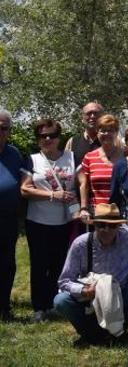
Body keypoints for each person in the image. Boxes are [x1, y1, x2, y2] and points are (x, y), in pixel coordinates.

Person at [54, 203, 128, 344]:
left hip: (121, 294)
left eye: (112, 226)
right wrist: (84, 290)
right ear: (94, 225)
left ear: (119, 226)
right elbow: (64, 281)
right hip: (89, 298)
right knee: (60, 301)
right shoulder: (81, 244)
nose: (106, 229)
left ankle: (112, 333)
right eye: (101, 225)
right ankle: (90, 333)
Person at [21, 119, 76, 322]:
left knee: (59, 264)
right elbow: (25, 189)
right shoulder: (33, 160)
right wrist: (53, 196)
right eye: (43, 136)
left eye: (51, 135)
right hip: (38, 221)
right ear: (38, 139)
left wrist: (79, 209)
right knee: (39, 264)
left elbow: (79, 186)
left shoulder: (71, 157)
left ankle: (54, 303)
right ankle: (39, 307)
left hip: (64, 221)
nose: (47, 139)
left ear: (58, 137)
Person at [0, 111, 31, 321]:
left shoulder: (14, 154)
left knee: (6, 263)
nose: (0, 132)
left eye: (4, 128)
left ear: (9, 131)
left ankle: (4, 307)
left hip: (8, 219)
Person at [78, 114, 124, 216]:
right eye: (103, 130)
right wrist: (83, 208)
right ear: (97, 133)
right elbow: (84, 185)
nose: (106, 133)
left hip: (123, 212)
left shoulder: (126, 155)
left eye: (111, 130)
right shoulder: (89, 157)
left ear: (116, 133)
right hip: (98, 214)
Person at [65, 102, 103, 167]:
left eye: (96, 113)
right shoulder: (73, 142)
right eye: (88, 113)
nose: (92, 116)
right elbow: (67, 167)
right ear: (82, 119)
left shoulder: (110, 140)